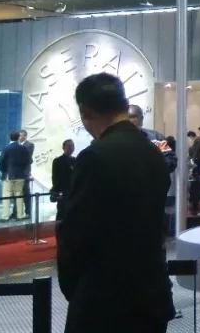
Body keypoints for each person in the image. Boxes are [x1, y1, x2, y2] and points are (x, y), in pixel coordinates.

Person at [59, 72, 173, 333]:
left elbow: (75, 235)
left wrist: (76, 290)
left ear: (85, 112)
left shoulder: (94, 157)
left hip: (105, 303)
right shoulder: (153, 153)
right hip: (151, 295)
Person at [0, 131, 31, 221]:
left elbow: (0, 162)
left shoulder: (6, 148)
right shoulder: (23, 148)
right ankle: (20, 215)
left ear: (10, 138)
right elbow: (29, 161)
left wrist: (4, 171)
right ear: (18, 138)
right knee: (19, 195)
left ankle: (5, 216)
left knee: (6, 196)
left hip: (9, 175)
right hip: (21, 175)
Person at [51, 139, 77, 219]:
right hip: (63, 193)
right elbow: (55, 177)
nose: (71, 148)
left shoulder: (75, 160)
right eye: (68, 146)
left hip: (73, 192)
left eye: (72, 146)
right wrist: (58, 192)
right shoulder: (57, 161)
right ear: (63, 148)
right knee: (61, 214)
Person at [18, 130, 33, 219]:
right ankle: (17, 213)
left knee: (26, 192)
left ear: (25, 136)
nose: (19, 137)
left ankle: (28, 212)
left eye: (20, 136)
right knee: (17, 193)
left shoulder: (29, 145)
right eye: (18, 136)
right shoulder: (17, 145)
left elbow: (28, 158)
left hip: (25, 172)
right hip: (17, 172)